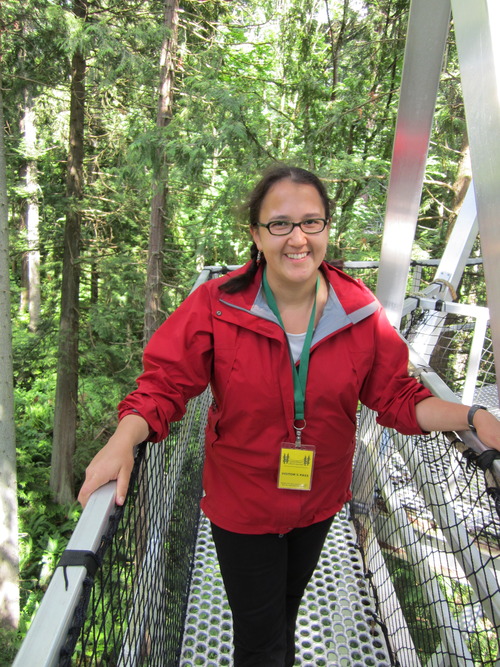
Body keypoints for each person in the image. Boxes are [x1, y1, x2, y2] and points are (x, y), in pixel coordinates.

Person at [78, 165, 500, 667]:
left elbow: (398, 397)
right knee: (260, 641)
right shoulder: (216, 306)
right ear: (256, 234)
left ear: (326, 230)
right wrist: (125, 438)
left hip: (317, 501)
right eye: (280, 224)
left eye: (311, 222)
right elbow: (165, 382)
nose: (297, 238)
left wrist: (471, 416)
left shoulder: (360, 311)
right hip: (243, 504)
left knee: (285, 613)